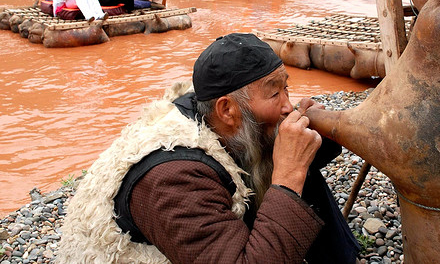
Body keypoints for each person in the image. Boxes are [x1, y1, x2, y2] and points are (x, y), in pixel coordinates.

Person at [56, 33, 360, 263]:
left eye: (286, 88)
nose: (287, 105)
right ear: (226, 110)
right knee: (290, 176)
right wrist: (289, 174)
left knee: (298, 170)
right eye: (274, 93)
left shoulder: (218, 113)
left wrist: (319, 127)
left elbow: (287, 153)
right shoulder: (174, 178)